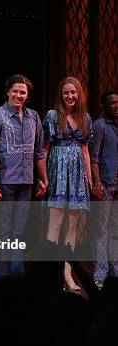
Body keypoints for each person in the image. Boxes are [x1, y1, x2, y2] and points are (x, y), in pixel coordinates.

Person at [0, 74, 48, 277]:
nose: (19, 95)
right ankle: (4, 274)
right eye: (15, 91)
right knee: (4, 229)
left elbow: (39, 152)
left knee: (19, 230)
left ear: (27, 95)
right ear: (8, 92)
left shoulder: (33, 117)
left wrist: (44, 178)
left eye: (23, 92)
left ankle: (16, 274)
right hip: (5, 182)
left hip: (26, 181)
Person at [43, 76, 93, 291]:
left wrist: (90, 179)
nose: (70, 96)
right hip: (57, 173)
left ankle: (68, 275)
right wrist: (44, 177)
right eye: (66, 93)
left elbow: (85, 150)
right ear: (60, 95)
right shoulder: (53, 116)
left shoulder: (85, 118)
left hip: (77, 175)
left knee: (73, 227)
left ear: (79, 94)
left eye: (73, 92)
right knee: (55, 225)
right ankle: (50, 275)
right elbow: (44, 148)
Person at [90, 90, 118, 286]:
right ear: (104, 106)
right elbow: (94, 157)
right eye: (112, 103)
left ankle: (115, 269)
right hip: (106, 182)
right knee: (101, 229)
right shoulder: (99, 126)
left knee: (115, 228)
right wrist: (97, 182)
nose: (116, 106)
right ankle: (100, 273)